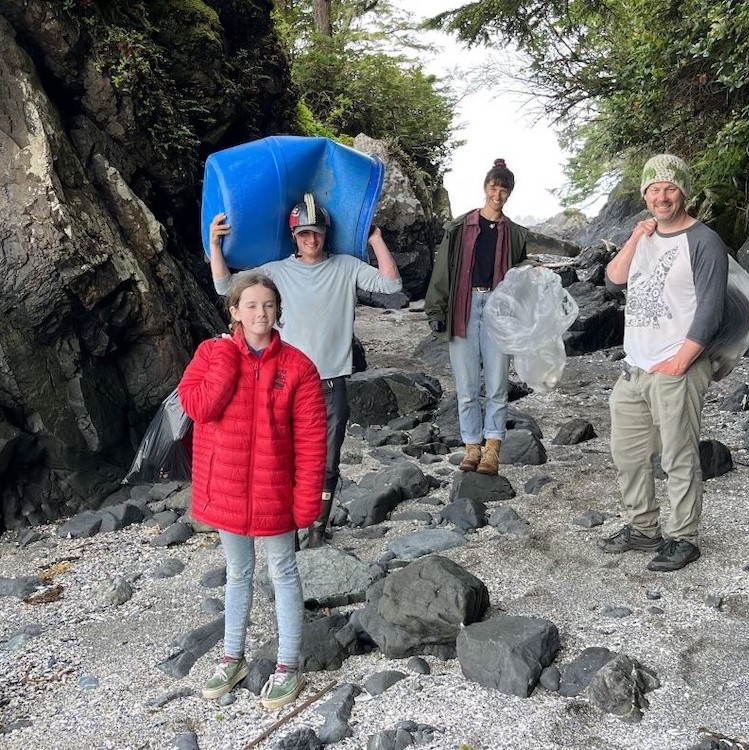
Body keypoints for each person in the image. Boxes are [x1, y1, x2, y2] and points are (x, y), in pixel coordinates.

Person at [208, 193, 402, 547]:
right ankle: (287, 534)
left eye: (317, 233)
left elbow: (391, 285)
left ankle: (317, 531)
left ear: (326, 234)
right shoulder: (276, 271)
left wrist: (374, 238)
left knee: (326, 464)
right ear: (293, 236)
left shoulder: (345, 266)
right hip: (286, 382)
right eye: (304, 234)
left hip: (330, 382)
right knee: (283, 464)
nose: (311, 240)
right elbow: (225, 286)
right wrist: (215, 244)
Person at [177, 273, 327, 709]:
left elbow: (312, 440)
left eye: (268, 305)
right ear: (235, 312)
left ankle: (288, 665)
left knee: (283, 573)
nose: (261, 313)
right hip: (226, 490)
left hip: (274, 491)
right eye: (251, 305)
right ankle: (232, 658)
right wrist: (226, 356)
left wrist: (306, 501)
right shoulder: (211, 353)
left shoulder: (299, 367)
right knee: (237, 574)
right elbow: (199, 407)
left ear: (278, 311)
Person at [598, 153, 729, 572]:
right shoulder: (644, 236)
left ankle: (683, 536)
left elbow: (711, 310)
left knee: (678, 456)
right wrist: (637, 237)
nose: (662, 196)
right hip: (634, 367)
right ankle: (643, 527)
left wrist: (680, 362)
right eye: (653, 189)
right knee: (628, 455)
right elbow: (613, 279)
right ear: (645, 195)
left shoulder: (704, 241)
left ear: (683, 192)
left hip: (677, 367)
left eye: (670, 188)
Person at [425, 158, 529, 476]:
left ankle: (492, 451)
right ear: (486, 188)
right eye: (494, 187)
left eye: (504, 189)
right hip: (464, 306)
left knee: (497, 385)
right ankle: (472, 447)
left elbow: (520, 281)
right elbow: (442, 271)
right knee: (468, 387)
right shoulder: (459, 228)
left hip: (499, 309)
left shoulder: (516, 234)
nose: (498, 194)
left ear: (509, 194)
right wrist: (436, 309)